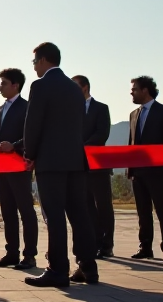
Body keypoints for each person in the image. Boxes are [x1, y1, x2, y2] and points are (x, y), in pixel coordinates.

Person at [22, 43, 98, 288]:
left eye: (34, 62)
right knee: (79, 215)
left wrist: (29, 153)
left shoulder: (41, 85)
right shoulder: (74, 89)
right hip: (76, 160)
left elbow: (33, 123)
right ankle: (88, 267)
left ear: (43, 60)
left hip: (51, 161)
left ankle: (57, 269)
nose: (34, 67)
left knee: (54, 216)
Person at [0, 68, 38, 270]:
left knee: (25, 210)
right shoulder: (0, 110)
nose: (0, 87)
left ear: (15, 85)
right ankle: (12, 252)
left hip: (19, 166)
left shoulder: (27, 107)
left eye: (4, 83)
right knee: (7, 210)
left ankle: (30, 255)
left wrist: (14, 145)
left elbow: (32, 135)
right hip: (1, 167)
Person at [126, 76, 163, 263]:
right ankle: (145, 246)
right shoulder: (134, 115)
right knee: (143, 212)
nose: (131, 92)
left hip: (158, 172)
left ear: (145, 90)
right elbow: (131, 143)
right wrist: (130, 169)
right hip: (138, 173)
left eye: (134, 89)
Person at [73, 75, 115, 259]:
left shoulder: (101, 108)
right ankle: (95, 242)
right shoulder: (71, 110)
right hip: (78, 166)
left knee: (103, 205)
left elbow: (101, 134)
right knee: (86, 206)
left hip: (97, 165)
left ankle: (107, 244)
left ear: (85, 87)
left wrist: (82, 148)